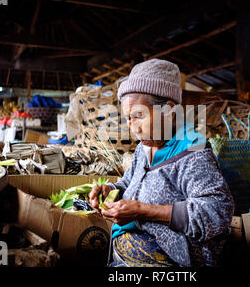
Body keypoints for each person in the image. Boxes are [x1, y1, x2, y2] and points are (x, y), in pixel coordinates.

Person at [89, 59, 234, 267]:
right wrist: (110, 190)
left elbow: (217, 212)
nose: (133, 128)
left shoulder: (193, 150)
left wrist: (143, 211)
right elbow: (129, 182)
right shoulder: (144, 147)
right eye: (128, 118)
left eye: (139, 116)